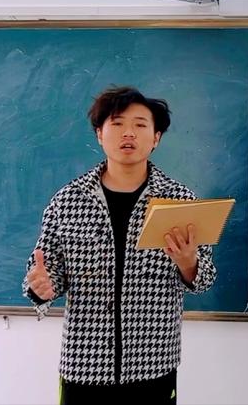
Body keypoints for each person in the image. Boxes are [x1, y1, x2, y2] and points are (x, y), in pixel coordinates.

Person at [23, 86, 216, 404]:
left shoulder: (178, 200)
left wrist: (188, 263)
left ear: (156, 138)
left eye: (140, 125)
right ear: (100, 134)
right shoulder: (68, 200)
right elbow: (46, 272)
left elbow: (205, 277)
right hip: (84, 364)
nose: (129, 133)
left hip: (153, 363)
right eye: (117, 123)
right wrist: (41, 288)